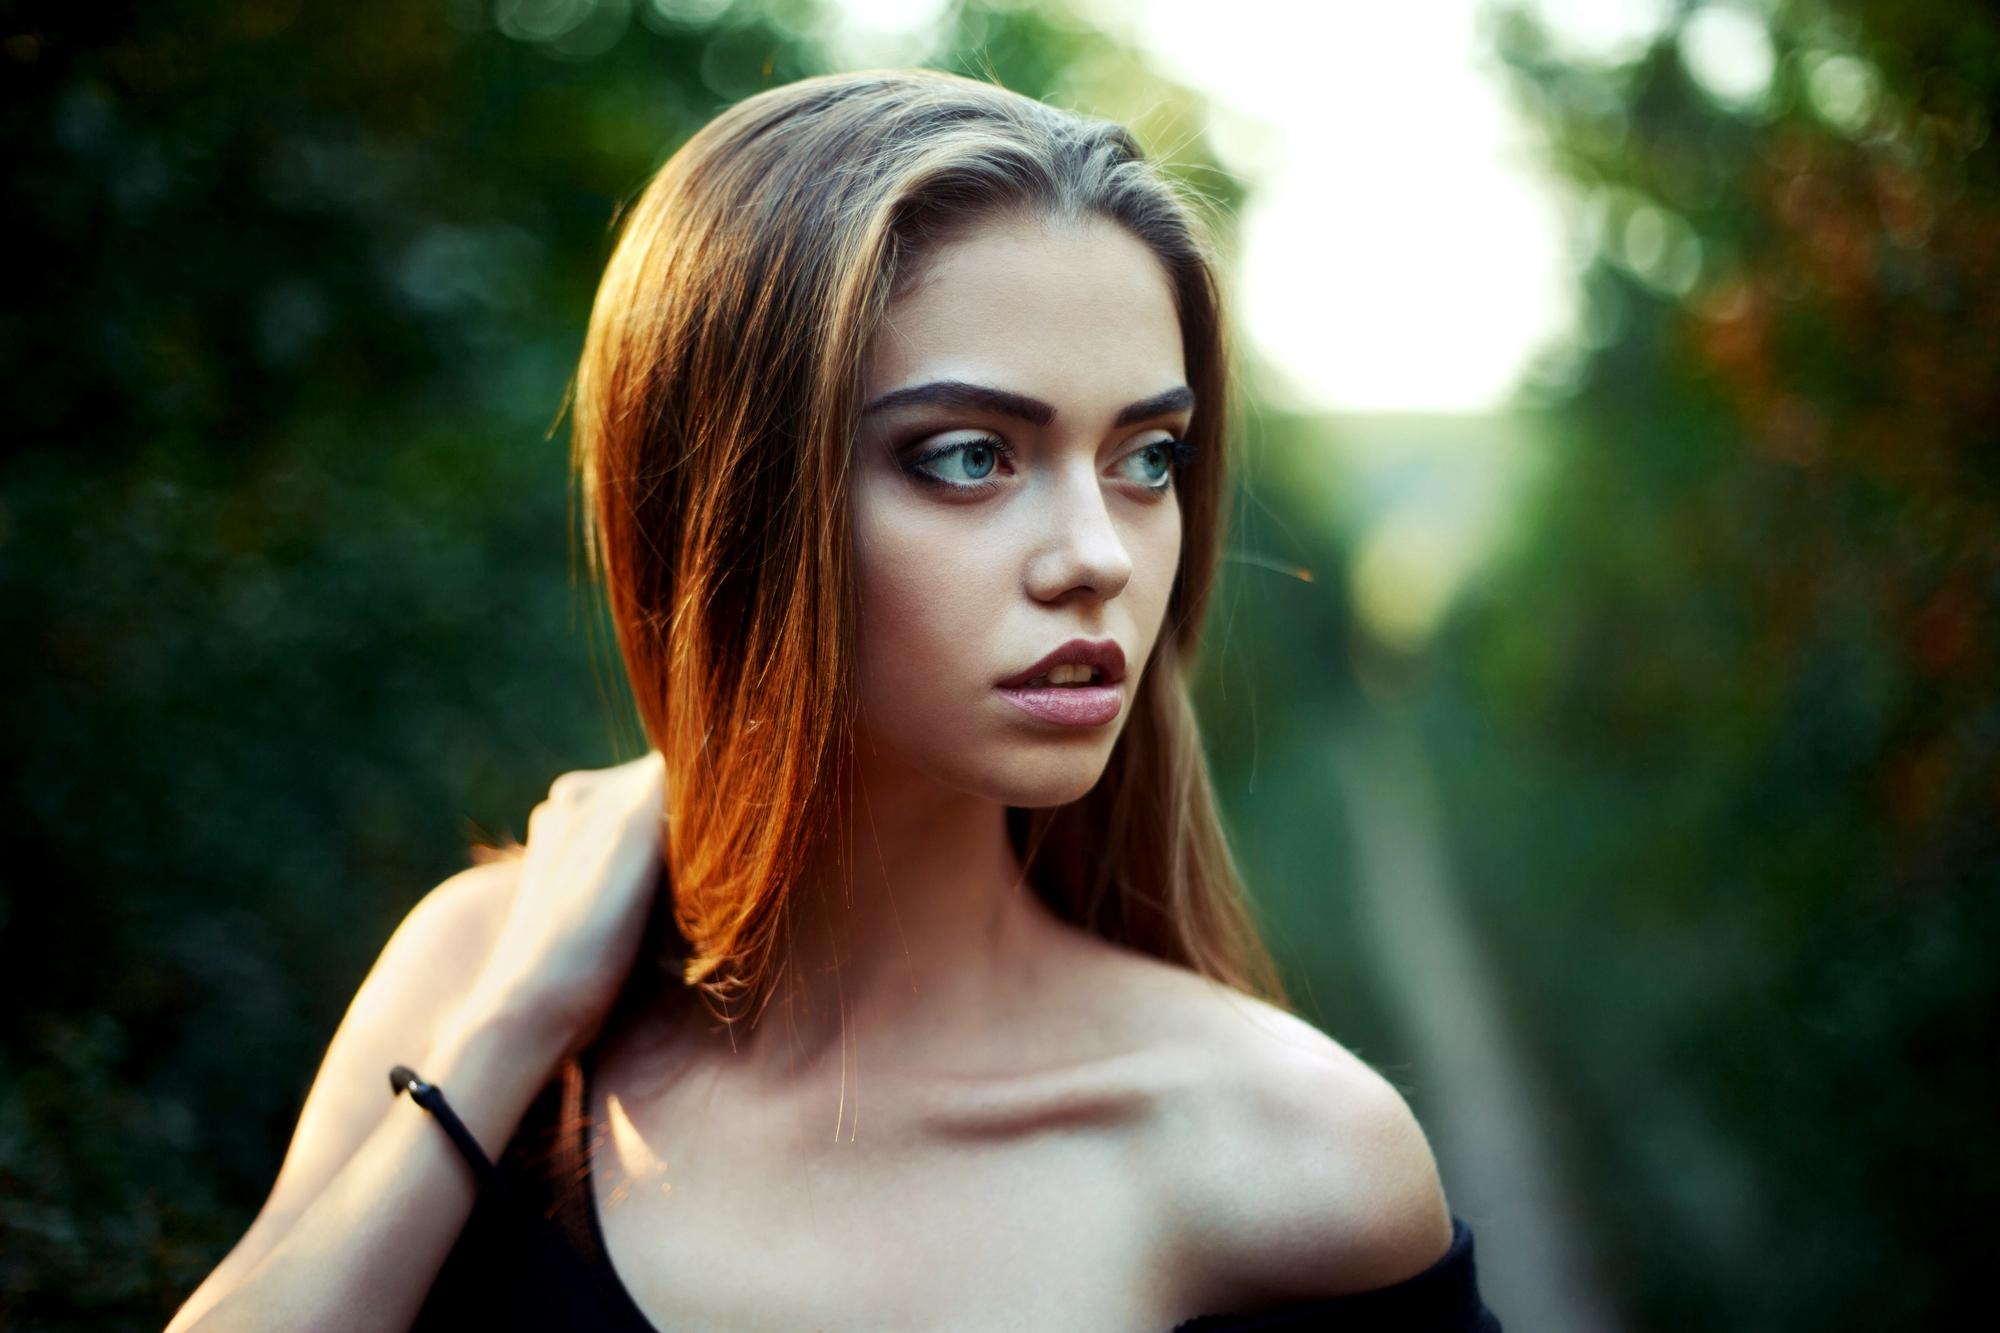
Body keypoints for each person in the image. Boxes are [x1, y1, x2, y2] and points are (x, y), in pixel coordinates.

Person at [166, 71, 1499, 1332]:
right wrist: (511, 1032)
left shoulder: (1293, 1153)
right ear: (735, 502)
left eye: (1147, 456)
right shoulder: (477, 972)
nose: (1098, 551)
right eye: (972, 455)